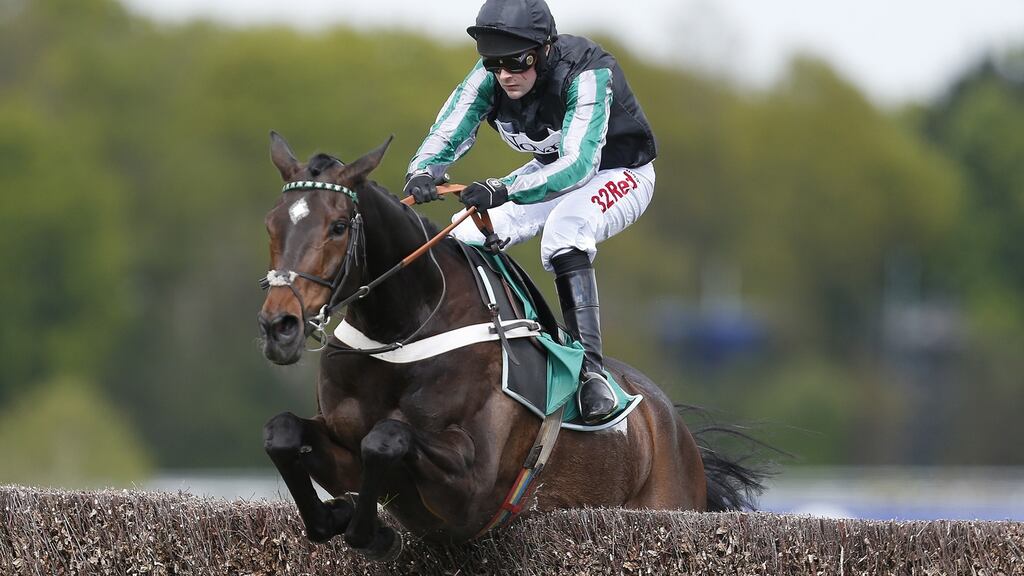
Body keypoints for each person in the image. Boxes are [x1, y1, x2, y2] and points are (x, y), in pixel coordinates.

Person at [403, 0, 657, 424]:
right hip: (547, 172)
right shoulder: (490, 78)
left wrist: (503, 188)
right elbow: (448, 128)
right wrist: (422, 172)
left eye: (517, 61)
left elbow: (580, 165)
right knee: (460, 235)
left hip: (620, 172)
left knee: (565, 230)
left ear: (544, 49)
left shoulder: (590, 71)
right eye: (494, 63)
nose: (505, 74)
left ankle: (590, 373)